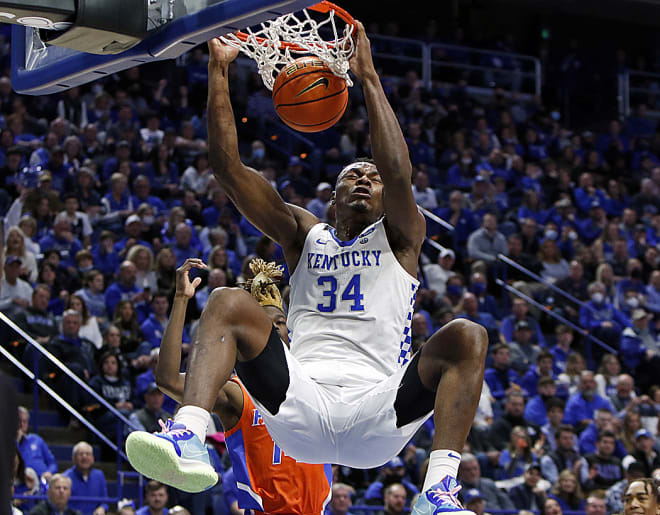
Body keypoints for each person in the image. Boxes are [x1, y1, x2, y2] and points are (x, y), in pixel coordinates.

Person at [127, 25, 488, 515]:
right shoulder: (302, 234)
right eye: (351, 176)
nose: (364, 179)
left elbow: (400, 173)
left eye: (372, 177)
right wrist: (218, 69)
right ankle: (189, 434)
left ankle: (438, 491)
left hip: (378, 407)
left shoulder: (402, 235)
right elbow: (227, 168)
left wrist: (369, 78)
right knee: (228, 300)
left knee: (467, 336)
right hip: (300, 401)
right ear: (332, 196)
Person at [151, 258, 332, 514]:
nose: (272, 329)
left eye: (278, 322)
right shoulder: (237, 392)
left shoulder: (316, 381)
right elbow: (167, 380)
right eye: (262, 327)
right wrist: (181, 299)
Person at [62, 442, 108, 515]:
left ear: (93, 458)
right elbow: (61, 505)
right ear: (73, 458)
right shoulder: (65, 477)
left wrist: (102, 508)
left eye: (88, 454)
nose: (84, 457)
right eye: (81, 454)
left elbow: (104, 502)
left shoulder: (99, 475)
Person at [16, 407, 57, 483]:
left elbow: (52, 463)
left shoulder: (36, 439)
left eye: (24, 421)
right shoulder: (7, 442)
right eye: (19, 421)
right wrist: (17, 441)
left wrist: (49, 472)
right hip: (21, 482)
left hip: (41, 481)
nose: (21, 424)